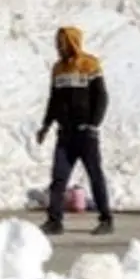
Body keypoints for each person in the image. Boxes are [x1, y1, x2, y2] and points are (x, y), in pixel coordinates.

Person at [36, 26, 114, 237]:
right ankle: (54, 221)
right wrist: (45, 125)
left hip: (85, 133)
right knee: (58, 178)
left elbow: (101, 97)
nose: (58, 46)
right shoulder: (57, 69)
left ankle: (106, 218)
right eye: (56, 41)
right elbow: (54, 100)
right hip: (65, 134)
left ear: (72, 42)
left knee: (95, 175)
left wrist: (93, 124)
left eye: (61, 42)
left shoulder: (90, 64)